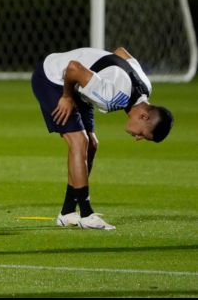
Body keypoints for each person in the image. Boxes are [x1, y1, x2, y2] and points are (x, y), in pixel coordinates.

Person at [31, 46, 173, 230]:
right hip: (54, 79)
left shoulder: (145, 86)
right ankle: (86, 213)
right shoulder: (113, 97)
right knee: (79, 141)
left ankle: (67, 212)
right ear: (144, 117)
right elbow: (73, 68)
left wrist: (103, 71)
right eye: (143, 134)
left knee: (92, 145)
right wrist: (66, 97)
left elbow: (121, 52)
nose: (138, 137)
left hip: (81, 84)